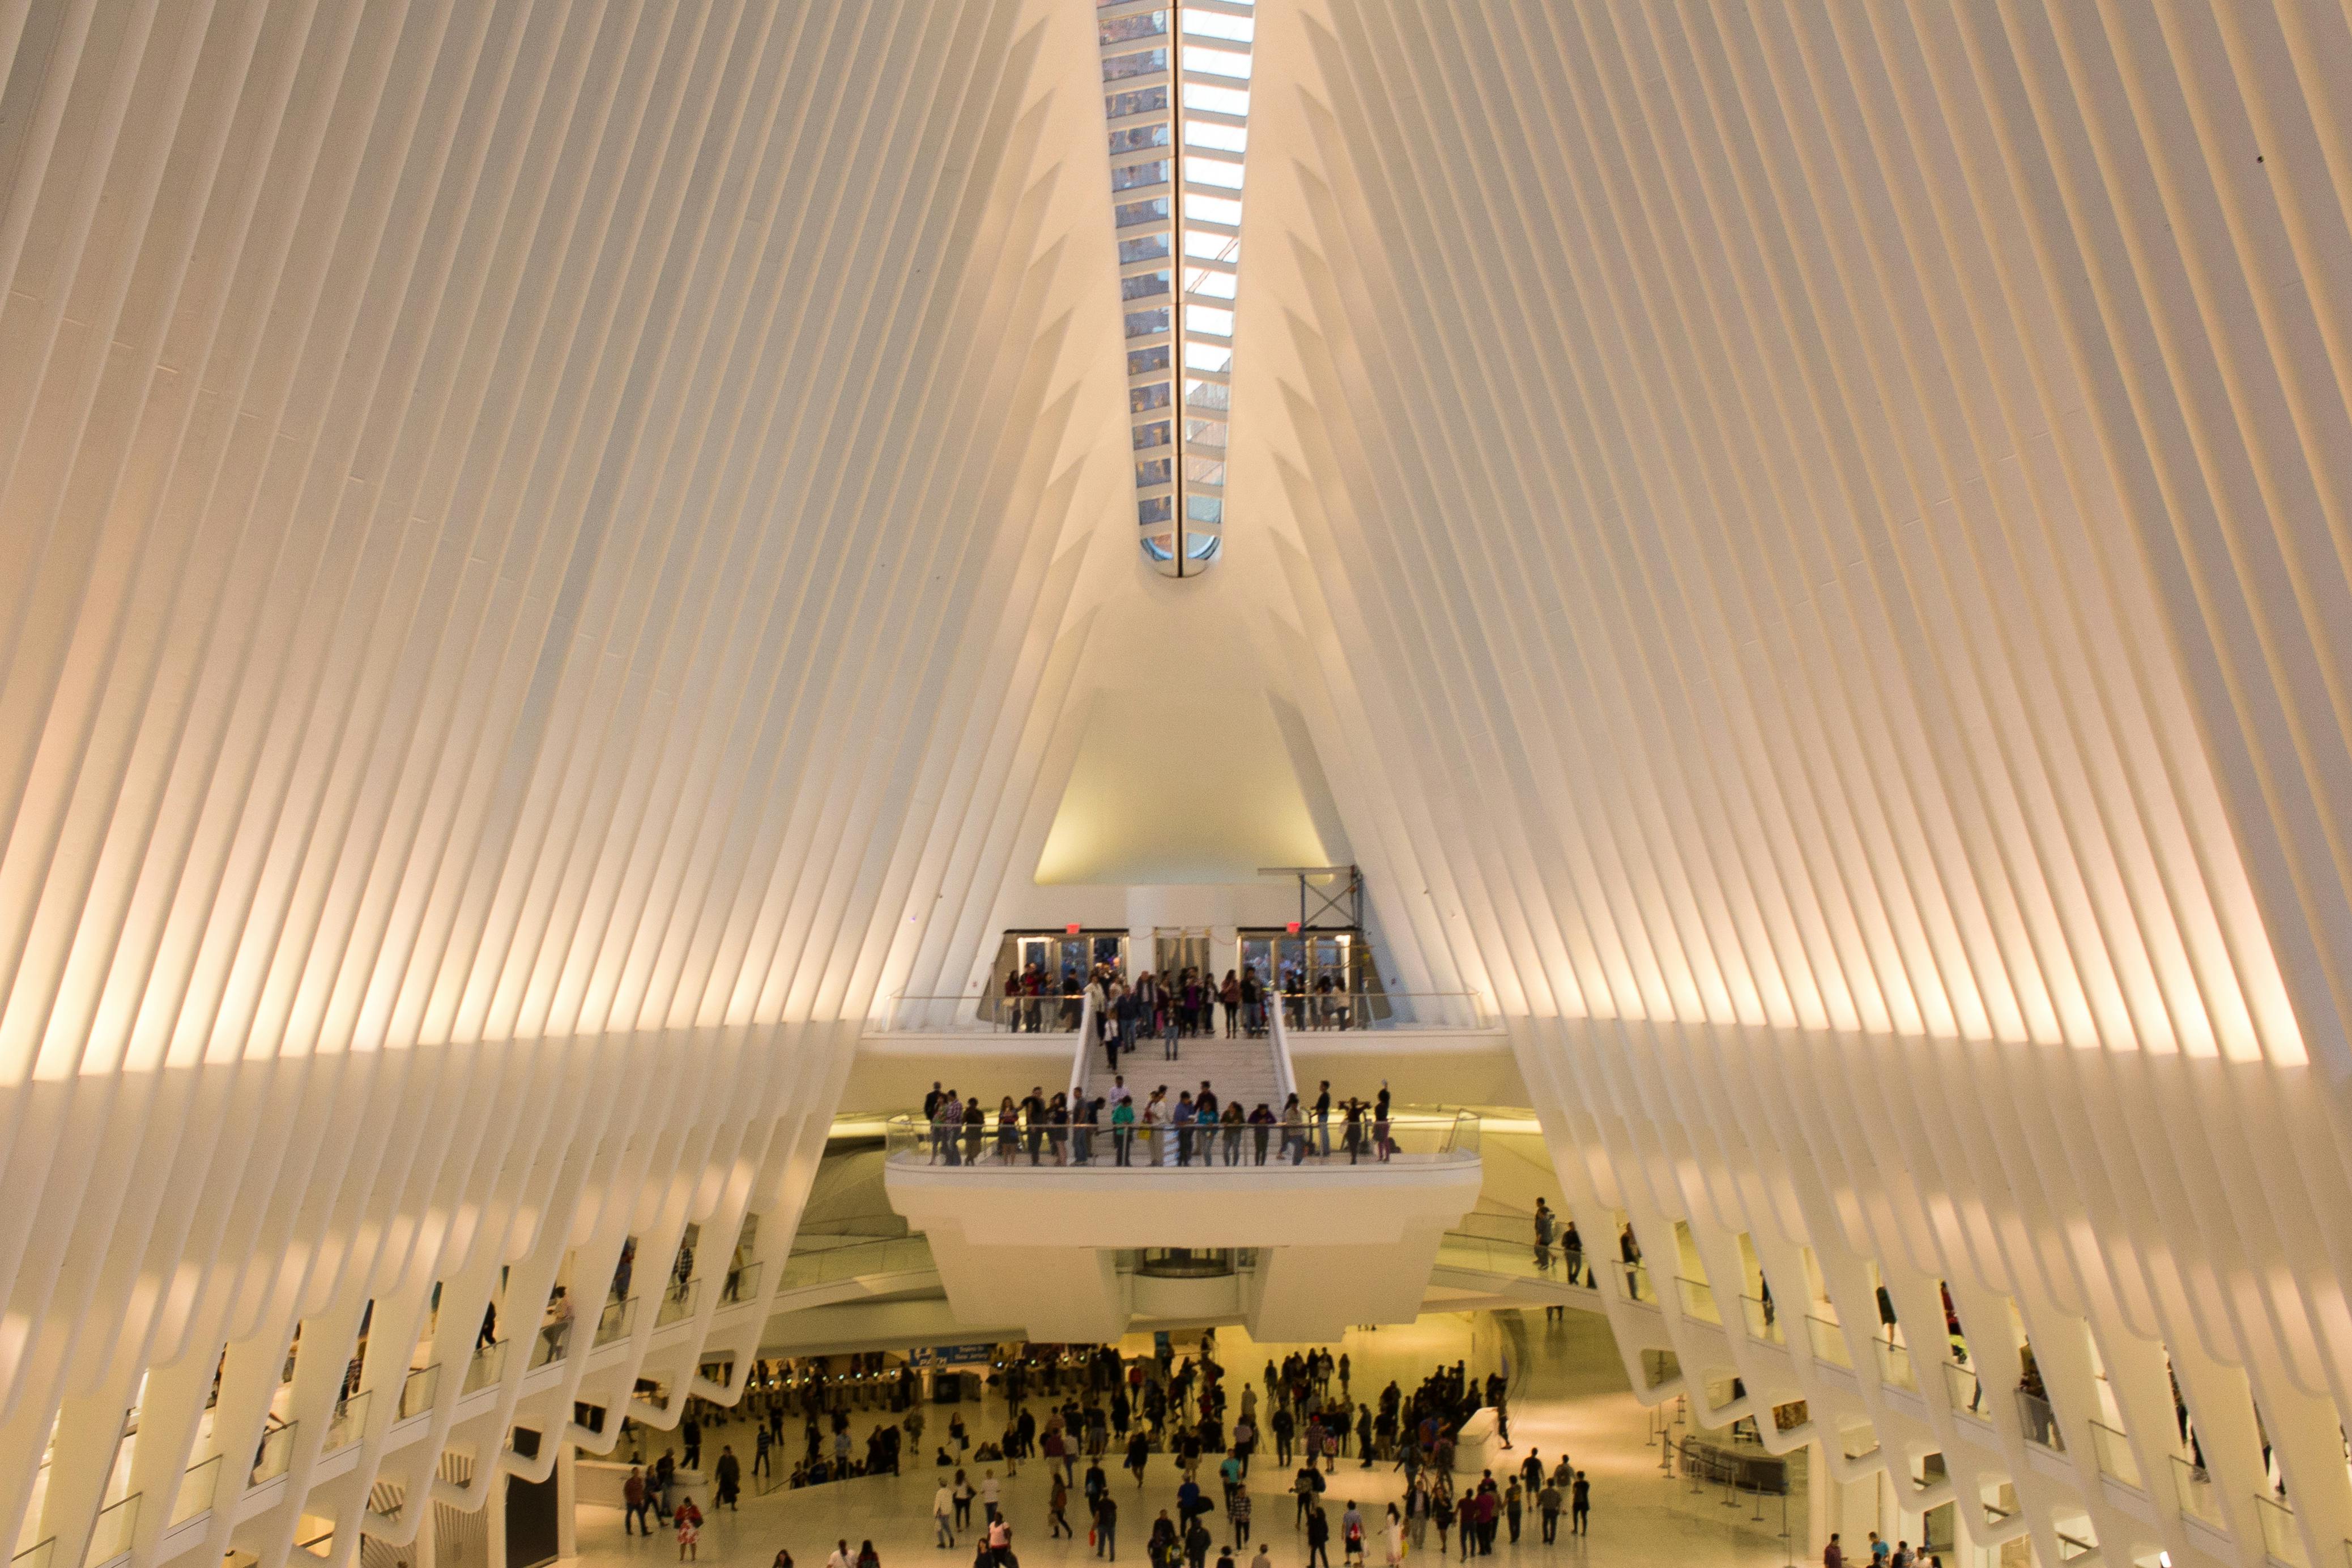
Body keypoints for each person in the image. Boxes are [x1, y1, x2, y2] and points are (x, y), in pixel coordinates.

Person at [624, 1467, 652, 1535]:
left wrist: (642, 1496)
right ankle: (628, 1530)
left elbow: (641, 1489)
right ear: (633, 1473)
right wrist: (628, 1500)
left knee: (642, 1516)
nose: (637, 1473)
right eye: (635, 1472)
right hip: (631, 1502)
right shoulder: (629, 1482)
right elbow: (626, 1491)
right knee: (629, 1516)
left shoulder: (640, 1480)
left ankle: (644, 1531)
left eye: (638, 1471)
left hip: (638, 1502)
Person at [714, 1445, 742, 1510]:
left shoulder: (733, 1459)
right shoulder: (722, 1458)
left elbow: (737, 1469)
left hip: (731, 1478)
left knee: (732, 1492)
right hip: (724, 1477)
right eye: (724, 1451)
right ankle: (717, 1502)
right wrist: (717, 1476)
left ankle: (733, 1506)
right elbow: (719, 1468)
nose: (724, 1452)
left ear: (728, 1451)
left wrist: (737, 1478)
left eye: (725, 1451)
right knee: (721, 1490)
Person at [675, 1498, 702, 1562]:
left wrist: (692, 1515)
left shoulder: (694, 1508)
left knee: (693, 1543)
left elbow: (698, 1515)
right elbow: (677, 1516)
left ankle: (693, 1557)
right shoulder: (681, 1508)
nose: (687, 1505)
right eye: (686, 1504)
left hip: (691, 1527)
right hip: (684, 1528)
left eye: (688, 1503)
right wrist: (682, 1516)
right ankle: (682, 1557)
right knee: (683, 1543)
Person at [1306, 1502, 1333, 1568]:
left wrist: (1310, 1540)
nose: (1314, 1512)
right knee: (1322, 1553)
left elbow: (1311, 1530)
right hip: (1321, 1539)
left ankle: (1313, 1566)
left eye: (1315, 1512)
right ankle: (1326, 1566)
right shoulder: (1322, 1520)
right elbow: (1326, 1529)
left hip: (1316, 1539)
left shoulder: (1313, 1520)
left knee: (1314, 1553)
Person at [1096, 1489, 1119, 1560]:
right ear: (1108, 1494)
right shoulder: (1112, 1502)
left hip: (1102, 1524)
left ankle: (1101, 1552)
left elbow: (1097, 1515)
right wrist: (1114, 1522)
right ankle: (1112, 1555)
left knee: (1102, 1539)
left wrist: (1095, 1525)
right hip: (1111, 1524)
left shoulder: (1100, 1503)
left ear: (1102, 1494)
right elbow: (1115, 1513)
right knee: (1112, 1541)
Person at [1536, 1477, 1561, 1544]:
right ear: (1554, 1484)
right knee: (1553, 1525)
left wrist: (1538, 1504)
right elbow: (1559, 1502)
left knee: (1545, 1524)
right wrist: (1559, 1509)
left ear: (1547, 1484)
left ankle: (1545, 1538)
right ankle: (1552, 1539)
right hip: (1553, 1510)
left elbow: (1539, 1500)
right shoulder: (1556, 1493)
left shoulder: (1543, 1492)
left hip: (1546, 1510)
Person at [935, 1478, 958, 1548]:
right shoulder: (949, 1492)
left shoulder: (939, 1492)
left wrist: (936, 1513)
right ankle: (951, 1538)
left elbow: (937, 1503)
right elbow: (951, 1502)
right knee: (946, 1526)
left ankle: (942, 1543)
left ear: (940, 1485)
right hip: (947, 1513)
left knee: (938, 1528)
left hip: (941, 1513)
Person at [1051, 1472, 1075, 1539]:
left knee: (1055, 1518)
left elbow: (1054, 1495)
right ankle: (1068, 1530)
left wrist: (1052, 1502)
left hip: (1056, 1506)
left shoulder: (1056, 1486)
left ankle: (1057, 1533)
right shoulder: (1062, 1486)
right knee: (1061, 1519)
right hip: (1061, 1506)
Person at [1231, 1481, 1252, 1546]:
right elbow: (1232, 1508)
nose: (1243, 1491)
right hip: (1238, 1519)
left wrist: (1246, 1515)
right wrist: (1231, 1516)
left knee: (1246, 1533)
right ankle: (1239, 1547)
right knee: (1238, 1533)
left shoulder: (1247, 1499)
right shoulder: (1235, 1499)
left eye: (1244, 1490)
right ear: (1238, 1491)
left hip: (1246, 1520)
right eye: (1242, 1490)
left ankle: (1246, 1542)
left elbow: (1249, 1509)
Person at [1570, 1471, 1590, 1536]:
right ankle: (1584, 1531)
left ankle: (1576, 1529)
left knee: (1575, 1516)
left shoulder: (1576, 1484)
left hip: (1577, 1502)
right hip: (1584, 1502)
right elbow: (1586, 1492)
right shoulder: (1586, 1484)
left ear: (1578, 1476)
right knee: (1584, 1517)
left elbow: (1573, 1492)